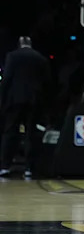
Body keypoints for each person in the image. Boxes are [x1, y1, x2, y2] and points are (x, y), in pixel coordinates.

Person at [0, 36, 51, 178]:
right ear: (30, 44)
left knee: (10, 132)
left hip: (15, 100)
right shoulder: (40, 58)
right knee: (31, 134)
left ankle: (5, 166)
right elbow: (47, 82)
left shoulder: (12, 56)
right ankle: (29, 168)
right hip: (34, 100)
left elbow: (6, 80)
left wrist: (2, 101)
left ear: (19, 44)